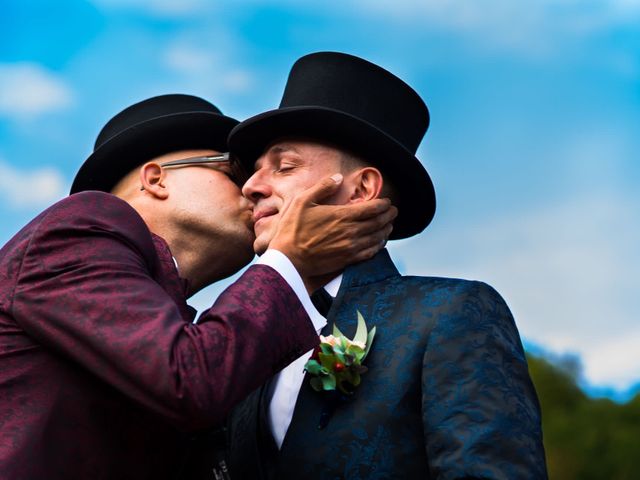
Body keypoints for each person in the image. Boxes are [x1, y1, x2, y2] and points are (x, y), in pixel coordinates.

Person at [0, 94, 396, 479]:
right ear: (156, 180)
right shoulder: (82, 226)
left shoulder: (164, 316)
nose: (252, 189)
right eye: (235, 173)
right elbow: (190, 381)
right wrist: (292, 260)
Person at [226, 52, 548, 479]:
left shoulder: (450, 313)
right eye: (253, 172)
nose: (251, 186)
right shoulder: (242, 334)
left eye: (284, 166)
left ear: (361, 189)